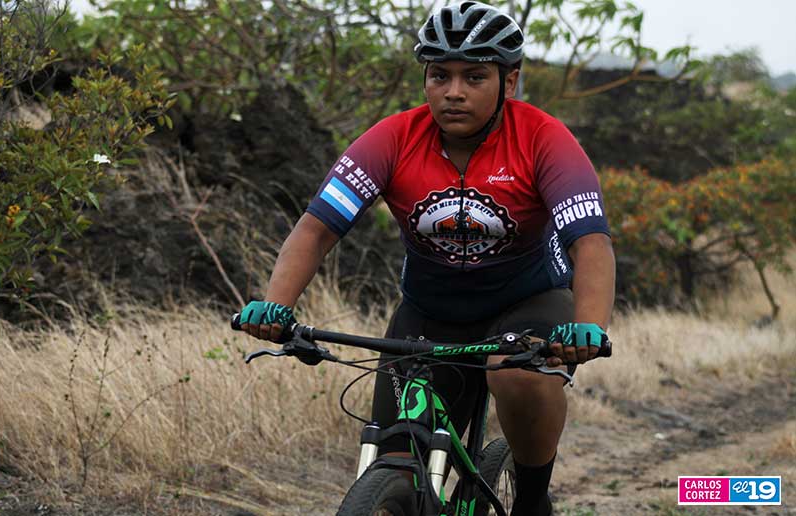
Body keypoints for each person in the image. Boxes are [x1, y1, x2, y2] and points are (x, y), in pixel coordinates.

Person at [238, 2, 615, 514]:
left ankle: (531, 502)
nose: (454, 91)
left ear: (509, 81)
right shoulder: (393, 138)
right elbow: (317, 228)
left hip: (527, 302)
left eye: (474, 77)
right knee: (397, 449)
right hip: (429, 311)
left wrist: (588, 328)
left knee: (517, 375)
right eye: (440, 75)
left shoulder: (543, 139)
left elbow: (589, 242)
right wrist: (275, 305)